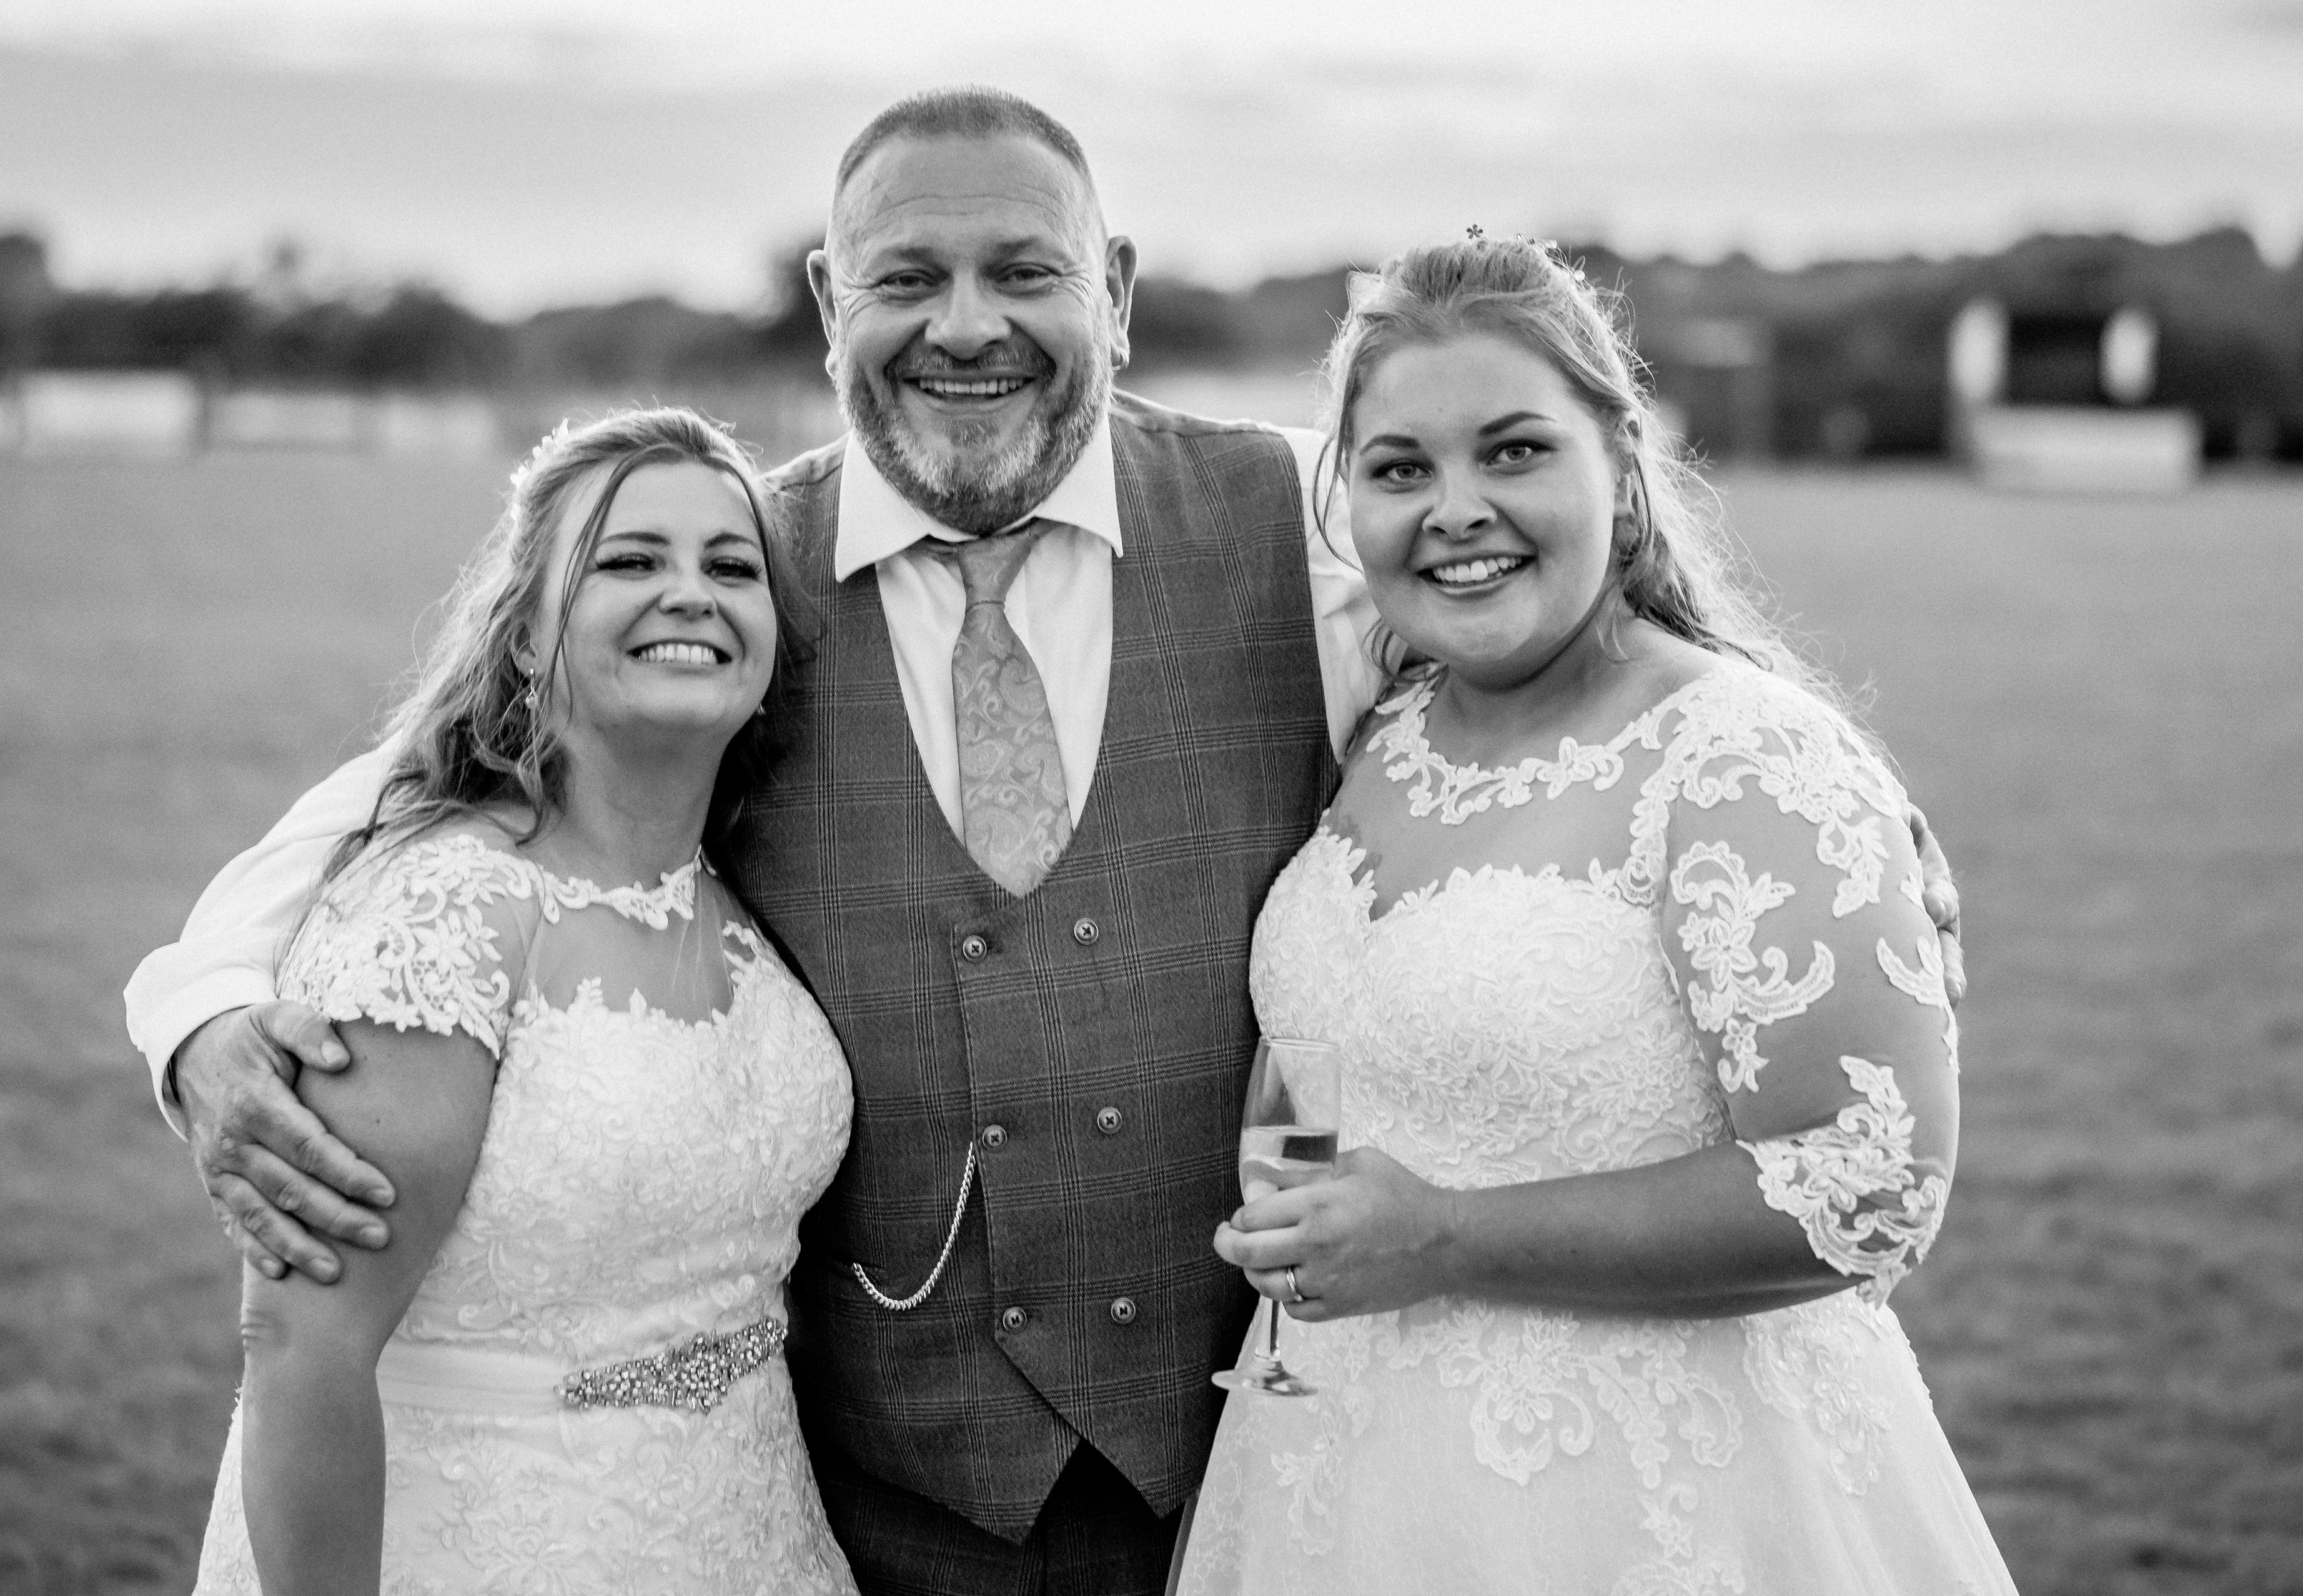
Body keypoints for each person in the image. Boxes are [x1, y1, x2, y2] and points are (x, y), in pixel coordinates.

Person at [127, 89, 1961, 1595]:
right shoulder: (733, 572)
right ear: (829, 304)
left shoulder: (1305, 527)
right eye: (905, 278)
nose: (967, 326)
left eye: (1025, 271)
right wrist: (203, 1012)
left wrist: (1813, 790)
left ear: (1118, 292)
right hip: (871, 1496)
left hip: (1244, 1458)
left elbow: (1559, 639)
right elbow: (422, 786)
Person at [1177, 237, 2013, 1592]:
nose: (1456, 510)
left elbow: (1871, 1184)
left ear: (1622, 467)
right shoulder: (1379, 734)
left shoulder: (1744, 758)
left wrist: (1444, 1234)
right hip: (1336, 1480)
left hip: (1658, 1499)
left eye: (1514, 452)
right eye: (1401, 469)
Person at [186, 407, 858, 1592]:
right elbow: (301, 1346)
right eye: (629, 561)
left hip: (750, 1534)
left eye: (732, 567)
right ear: (528, 631)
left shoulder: (739, 899)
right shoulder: (447, 913)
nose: (691, 595)